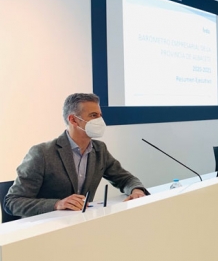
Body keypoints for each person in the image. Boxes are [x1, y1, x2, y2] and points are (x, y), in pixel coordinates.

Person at [4, 93, 148, 218]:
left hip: (80, 226)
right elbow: (13, 202)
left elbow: (125, 179)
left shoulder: (99, 150)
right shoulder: (42, 153)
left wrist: (136, 191)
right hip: (45, 230)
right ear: (73, 120)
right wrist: (57, 204)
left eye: (100, 115)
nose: (100, 121)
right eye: (93, 116)